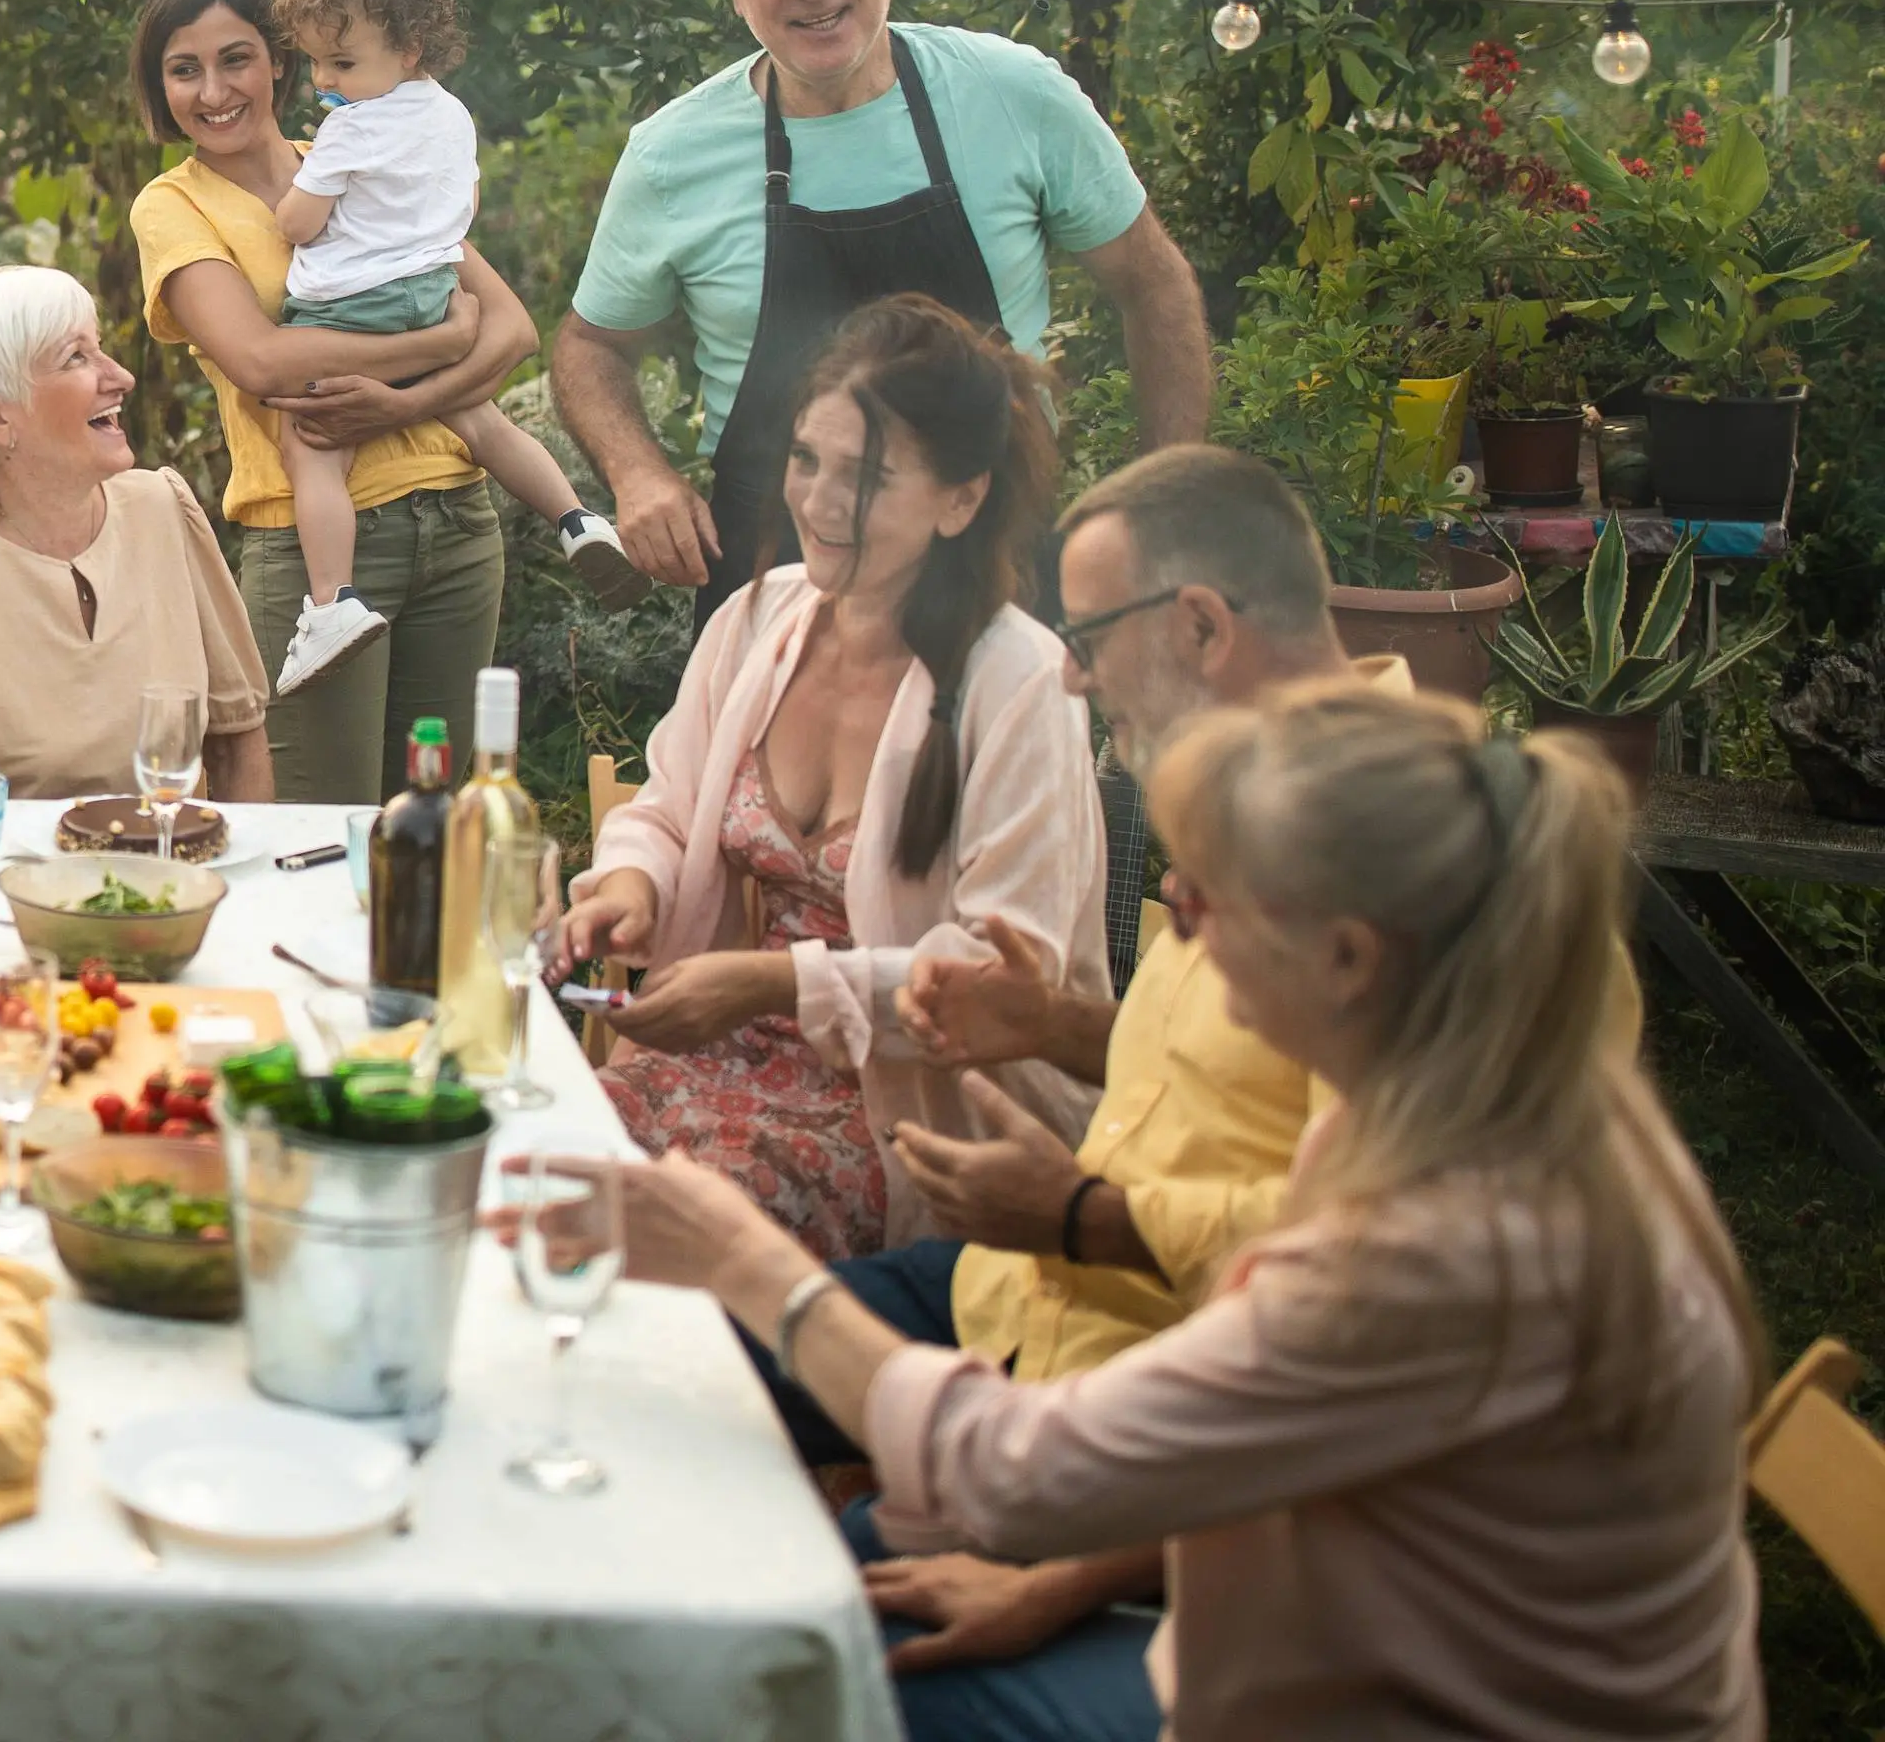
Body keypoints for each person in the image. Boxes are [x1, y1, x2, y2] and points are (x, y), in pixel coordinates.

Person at [566, 677, 1763, 1742]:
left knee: (810, 1675)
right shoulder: (1492, 1108)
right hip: (1325, 1649)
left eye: (1206, 903)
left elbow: (1011, 1471)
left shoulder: (1439, 1246)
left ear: (1348, 959)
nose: (1179, 917)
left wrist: (744, 1258)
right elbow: (1276, 1439)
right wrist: (1055, 1580)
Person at [766, 444, 1384, 1736]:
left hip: (1150, 1396)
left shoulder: (1401, 861)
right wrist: (1050, 1023)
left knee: (799, 1650)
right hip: (1013, 1301)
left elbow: (1372, 1332)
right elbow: (1221, 1073)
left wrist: (1081, 1219)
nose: (1071, 670)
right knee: (677, 1348)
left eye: (1090, 632)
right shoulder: (1252, 807)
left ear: (1202, 625)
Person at [550, 0, 1213, 614]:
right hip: (772, 587)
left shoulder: (1013, 94)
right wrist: (639, 472)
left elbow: (1154, 284)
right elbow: (591, 345)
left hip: (992, 572)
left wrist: (1163, 509)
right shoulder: (671, 156)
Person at [560, 296, 1102, 1259]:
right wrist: (631, 886)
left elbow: (1001, 977)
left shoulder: (1018, 683)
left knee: (678, 1230)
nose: (815, 501)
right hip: (724, 1056)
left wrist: (769, 985)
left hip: (912, 1114)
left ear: (960, 500)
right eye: (808, 459)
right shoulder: (760, 618)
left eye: (866, 478)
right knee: (545, 1171)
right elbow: (668, 807)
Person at [127, 0, 543, 803]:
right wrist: (440, 339)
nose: (213, 91)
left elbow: (513, 329)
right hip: (316, 552)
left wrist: (408, 401)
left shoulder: (358, 151)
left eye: (235, 57)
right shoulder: (173, 207)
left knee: (431, 829)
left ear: (280, 61)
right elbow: (263, 361)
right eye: (184, 69)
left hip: (458, 528)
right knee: (324, 833)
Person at [255, 0, 640, 697]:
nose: (325, 81)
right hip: (433, 295)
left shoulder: (348, 127)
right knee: (481, 419)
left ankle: (330, 603)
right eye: (318, 64)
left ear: (409, 48)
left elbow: (297, 224)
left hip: (350, 310)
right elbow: (461, 204)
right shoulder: (449, 115)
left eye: (342, 62)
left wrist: (299, 199)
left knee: (312, 450)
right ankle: (578, 521)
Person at [0, 263, 273, 800]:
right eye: (76, 357)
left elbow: (237, 736)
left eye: (99, 346)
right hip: (7, 882)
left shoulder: (163, 510)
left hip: (179, 873)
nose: (121, 377)